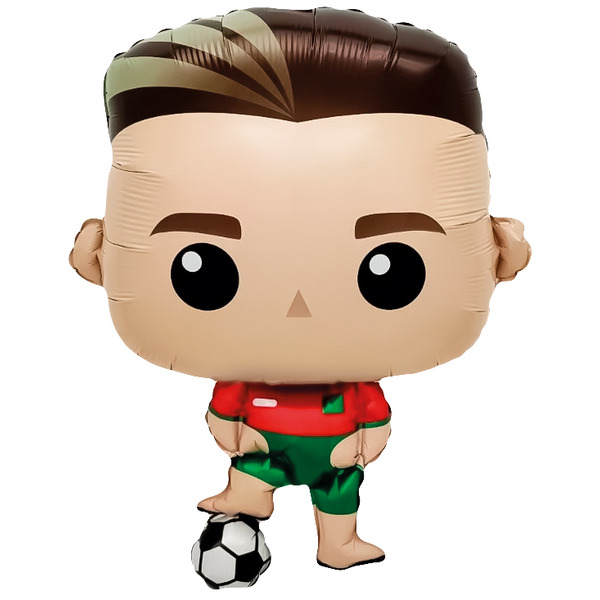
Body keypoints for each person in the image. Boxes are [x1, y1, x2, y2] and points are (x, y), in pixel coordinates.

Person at [69, 7, 531, 570]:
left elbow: (372, 417)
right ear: (99, 255)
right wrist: (228, 424)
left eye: (392, 270)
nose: (299, 306)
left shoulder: (348, 389)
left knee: (338, 493)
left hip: (333, 452)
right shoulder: (256, 383)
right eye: (203, 270)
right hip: (271, 445)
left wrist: (368, 438)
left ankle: (337, 543)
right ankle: (246, 500)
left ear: (499, 251)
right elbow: (228, 411)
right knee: (253, 472)